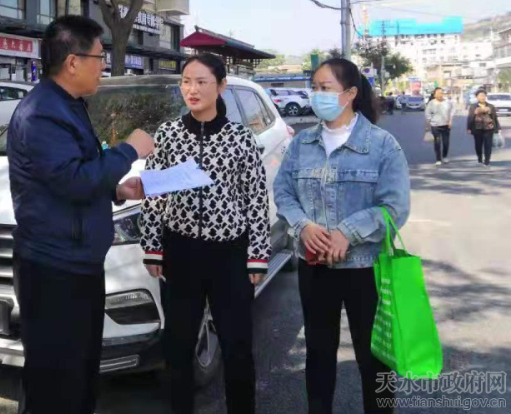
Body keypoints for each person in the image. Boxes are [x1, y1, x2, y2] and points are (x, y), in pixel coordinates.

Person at [7, 16, 153, 414]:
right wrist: (129, 150)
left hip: (76, 262)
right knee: (56, 383)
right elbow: (72, 181)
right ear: (73, 62)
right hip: (54, 269)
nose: (102, 66)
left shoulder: (68, 105)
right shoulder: (42, 113)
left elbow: (75, 172)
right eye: (99, 57)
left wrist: (116, 190)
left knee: (80, 376)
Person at [273, 58, 411, 414]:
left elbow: (395, 207)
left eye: (325, 88)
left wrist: (348, 233)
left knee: (374, 358)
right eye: (314, 88)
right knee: (318, 354)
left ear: (349, 94)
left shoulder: (382, 144)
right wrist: (303, 226)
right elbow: (283, 192)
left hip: (367, 268)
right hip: (315, 266)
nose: (316, 94)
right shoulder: (302, 143)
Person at [140, 54, 270, 414]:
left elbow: (256, 198)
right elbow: (154, 192)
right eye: (186, 81)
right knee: (178, 345)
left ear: (221, 86)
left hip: (230, 255)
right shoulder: (168, 134)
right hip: (180, 253)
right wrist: (152, 245)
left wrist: (257, 254)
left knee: (237, 345)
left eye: (201, 82)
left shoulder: (240, 137)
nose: (192, 89)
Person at [467, 89, 501, 167]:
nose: (482, 97)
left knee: (488, 145)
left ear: (486, 96)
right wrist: (468, 128)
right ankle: (480, 158)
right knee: (478, 145)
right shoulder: (473, 106)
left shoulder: (491, 106)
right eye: (480, 96)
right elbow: (470, 117)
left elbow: (494, 117)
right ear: (477, 97)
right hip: (477, 129)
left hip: (489, 128)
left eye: (484, 96)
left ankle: (487, 161)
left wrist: (498, 128)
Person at [425, 87, 455, 165]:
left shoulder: (447, 102)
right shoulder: (431, 103)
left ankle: (445, 156)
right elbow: (427, 115)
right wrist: (427, 127)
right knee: (437, 142)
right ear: (434, 95)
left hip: (446, 125)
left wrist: (451, 121)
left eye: (441, 93)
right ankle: (438, 159)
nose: (440, 95)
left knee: (446, 143)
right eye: (438, 93)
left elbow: (452, 111)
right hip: (435, 126)